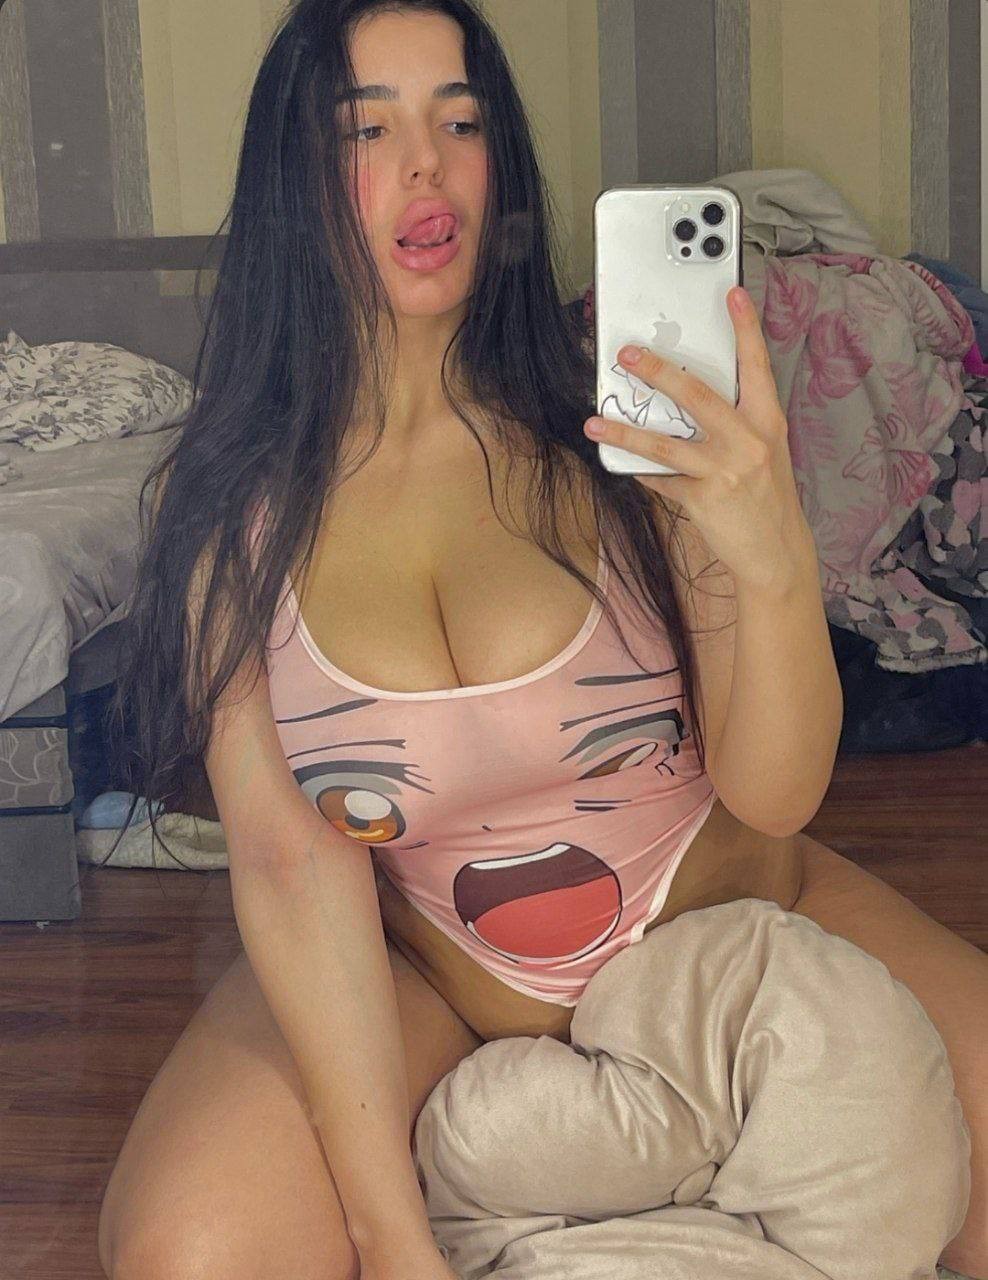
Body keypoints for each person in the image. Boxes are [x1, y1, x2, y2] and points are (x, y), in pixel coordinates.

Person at [94, 2, 988, 1277]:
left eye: (459, 123)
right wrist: (390, 1236)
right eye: (367, 129)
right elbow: (293, 869)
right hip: (435, 981)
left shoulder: (625, 432)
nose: (425, 166)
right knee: (193, 1251)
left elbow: (777, 793)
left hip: (733, 927)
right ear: (294, 176)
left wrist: (774, 549)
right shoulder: (228, 513)